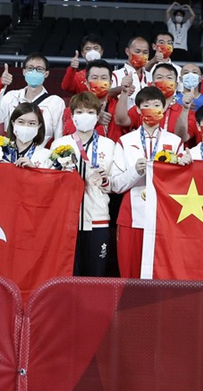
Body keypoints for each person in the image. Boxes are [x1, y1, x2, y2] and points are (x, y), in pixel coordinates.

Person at [111, 87, 184, 278]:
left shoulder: (175, 142)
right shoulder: (125, 142)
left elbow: (181, 183)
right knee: (131, 275)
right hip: (132, 215)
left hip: (165, 216)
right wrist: (136, 171)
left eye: (156, 105)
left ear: (165, 108)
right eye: (146, 105)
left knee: (161, 274)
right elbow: (116, 185)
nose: (151, 109)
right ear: (137, 110)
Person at [51, 92, 116, 276]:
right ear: (72, 116)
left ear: (97, 116)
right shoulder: (59, 145)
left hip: (97, 219)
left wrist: (104, 180)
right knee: (69, 274)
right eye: (79, 112)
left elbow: (115, 184)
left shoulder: (108, 145)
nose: (84, 116)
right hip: (67, 220)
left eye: (89, 112)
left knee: (96, 275)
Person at [0, 53, 65, 147]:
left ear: (46, 74)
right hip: (10, 155)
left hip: (40, 157)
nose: (34, 72)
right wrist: (0, 86)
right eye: (30, 68)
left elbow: (59, 137)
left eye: (39, 69)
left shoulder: (55, 102)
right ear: (24, 72)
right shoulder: (11, 97)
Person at [115, 63, 194, 137]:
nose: (164, 81)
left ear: (176, 85)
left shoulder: (185, 112)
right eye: (159, 77)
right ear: (152, 84)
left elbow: (182, 137)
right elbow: (121, 121)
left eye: (169, 78)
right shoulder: (143, 107)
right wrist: (124, 92)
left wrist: (185, 109)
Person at [61, 60, 124, 142]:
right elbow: (69, 136)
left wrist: (125, 92)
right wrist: (94, 120)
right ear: (86, 83)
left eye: (104, 78)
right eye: (94, 78)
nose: (99, 81)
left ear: (111, 83)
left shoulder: (119, 108)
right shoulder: (73, 109)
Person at [0, 102, 52, 168]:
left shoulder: (46, 156)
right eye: (21, 122)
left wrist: (34, 171)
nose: (26, 126)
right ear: (13, 123)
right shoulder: (0, 151)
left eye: (32, 123)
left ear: (39, 126)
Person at [111, 36, 151, 109]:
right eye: (137, 51)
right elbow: (105, 95)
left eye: (145, 52)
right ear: (127, 51)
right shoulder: (115, 75)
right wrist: (121, 89)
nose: (141, 55)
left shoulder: (151, 77)